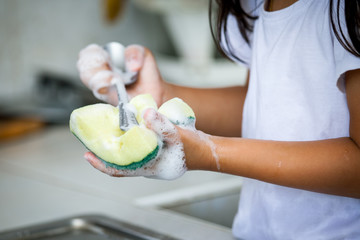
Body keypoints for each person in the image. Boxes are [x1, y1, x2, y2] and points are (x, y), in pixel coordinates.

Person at [77, 0, 360, 238]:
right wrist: (160, 96)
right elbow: (265, 107)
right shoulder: (257, 3)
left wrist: (211, 153)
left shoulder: (347, 10)